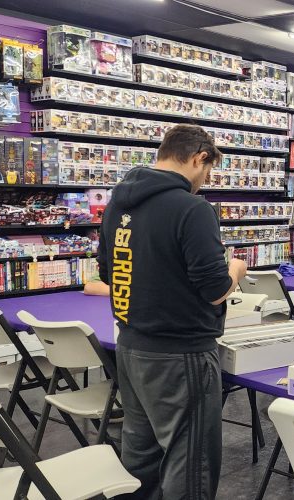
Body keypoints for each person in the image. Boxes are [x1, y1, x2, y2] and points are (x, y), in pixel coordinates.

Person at [97, 124, 247, 500]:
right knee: (190, 459)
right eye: (208, 170)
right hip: (181, 353)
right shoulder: (192, 208)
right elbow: (215, 290)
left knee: (140, 453)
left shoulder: (118, 204)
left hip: (130, 345)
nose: (205, 179)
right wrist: (236, 270)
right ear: (199, 157)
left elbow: (108, 273)